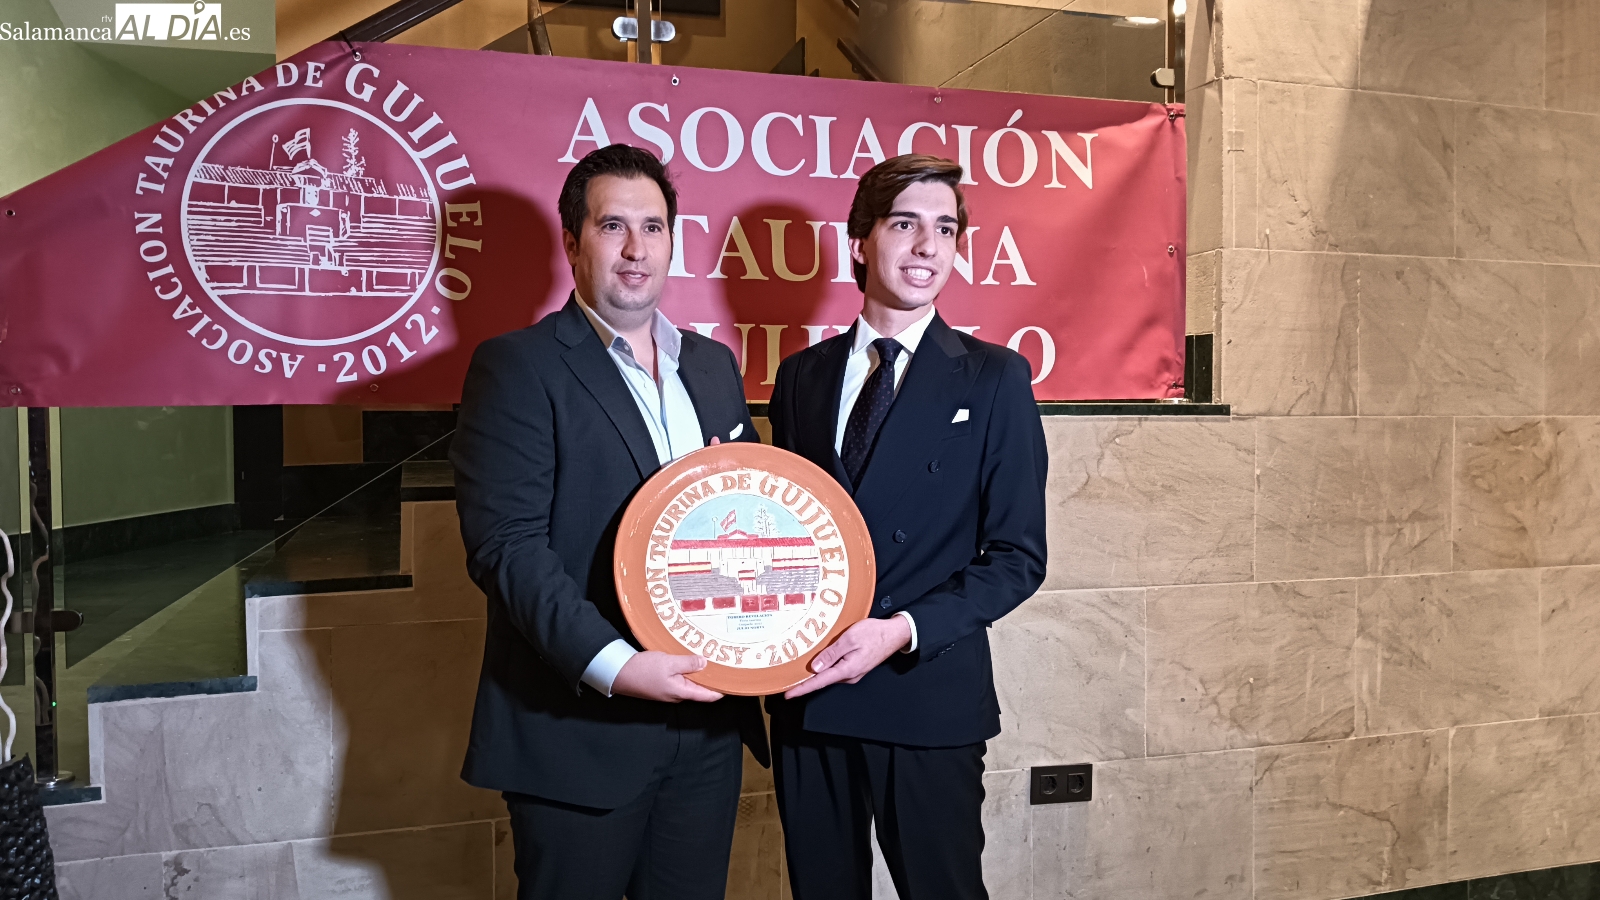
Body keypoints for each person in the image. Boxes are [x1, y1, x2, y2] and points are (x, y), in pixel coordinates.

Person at [451, 143, 768, 900]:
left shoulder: (711, 367)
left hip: (707, 728)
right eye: (613, 226)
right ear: (572, 242)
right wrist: (615, 665)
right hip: (579, 730)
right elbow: (507, 548)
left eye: (653, 228)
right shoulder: (518, 367)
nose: (636, 250)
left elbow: (754, 511)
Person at [765, 154, 1049, 900]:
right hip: (810, 691)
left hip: (924, 692)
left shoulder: (994, 377)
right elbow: (785, 532)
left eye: (945, 229)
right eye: (905, 224)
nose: (927, 246)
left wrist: (899, 631)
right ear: (860, 241)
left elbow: (1017, 557)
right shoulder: (801, 376)